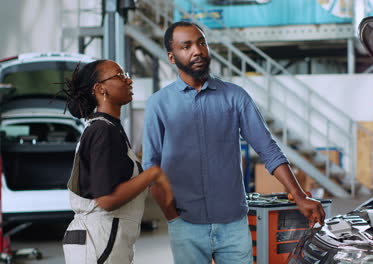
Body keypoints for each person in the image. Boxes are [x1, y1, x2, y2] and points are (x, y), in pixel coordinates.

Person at [142, 21, 325, 264]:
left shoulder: (235, 97)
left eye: (201, 42)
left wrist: (299, 195)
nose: (197, 50)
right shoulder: (159, 104)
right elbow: (151, 168)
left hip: (233, 225)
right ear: (172, 57)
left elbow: (267, 149)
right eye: (186, 46)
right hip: (186, 224)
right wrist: (172, 216)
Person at [61, 60, 173, 264]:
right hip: (100, 241)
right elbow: (106, 200)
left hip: (103, 239)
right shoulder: (103, 131)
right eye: (119, 76)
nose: (128, 80)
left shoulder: (107, 128)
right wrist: (152, 174)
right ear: (100, 88)